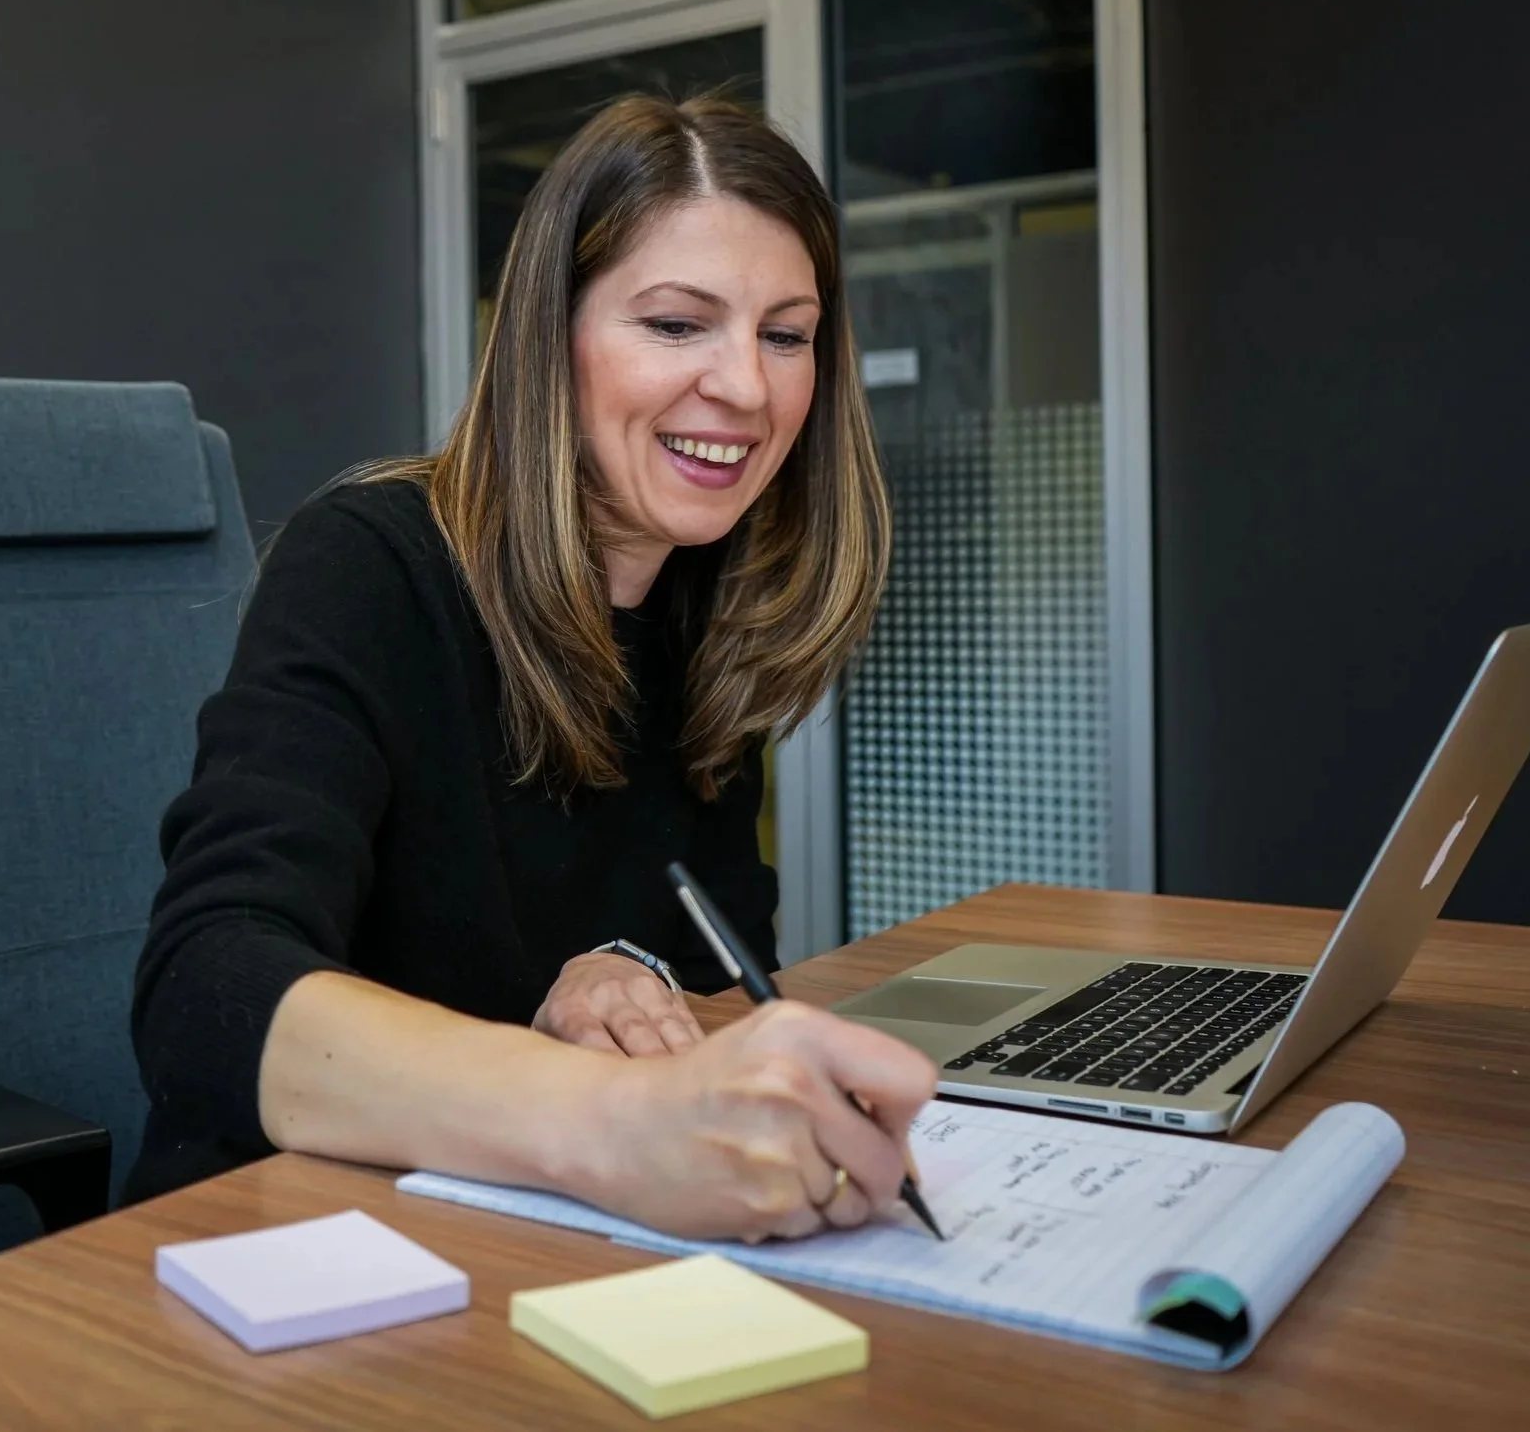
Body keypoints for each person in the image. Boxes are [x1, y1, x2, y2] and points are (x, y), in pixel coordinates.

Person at [126, 93, 938, 1242]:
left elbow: (714, 956)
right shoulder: (370, 561)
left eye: (785, 334)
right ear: (548, 335)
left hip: (531, 1225)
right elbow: (207, 989)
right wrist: (602, 1112)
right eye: (674, 324)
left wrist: (614, 971)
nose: (747, 389)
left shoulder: (705, 595)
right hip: (290, 1235)